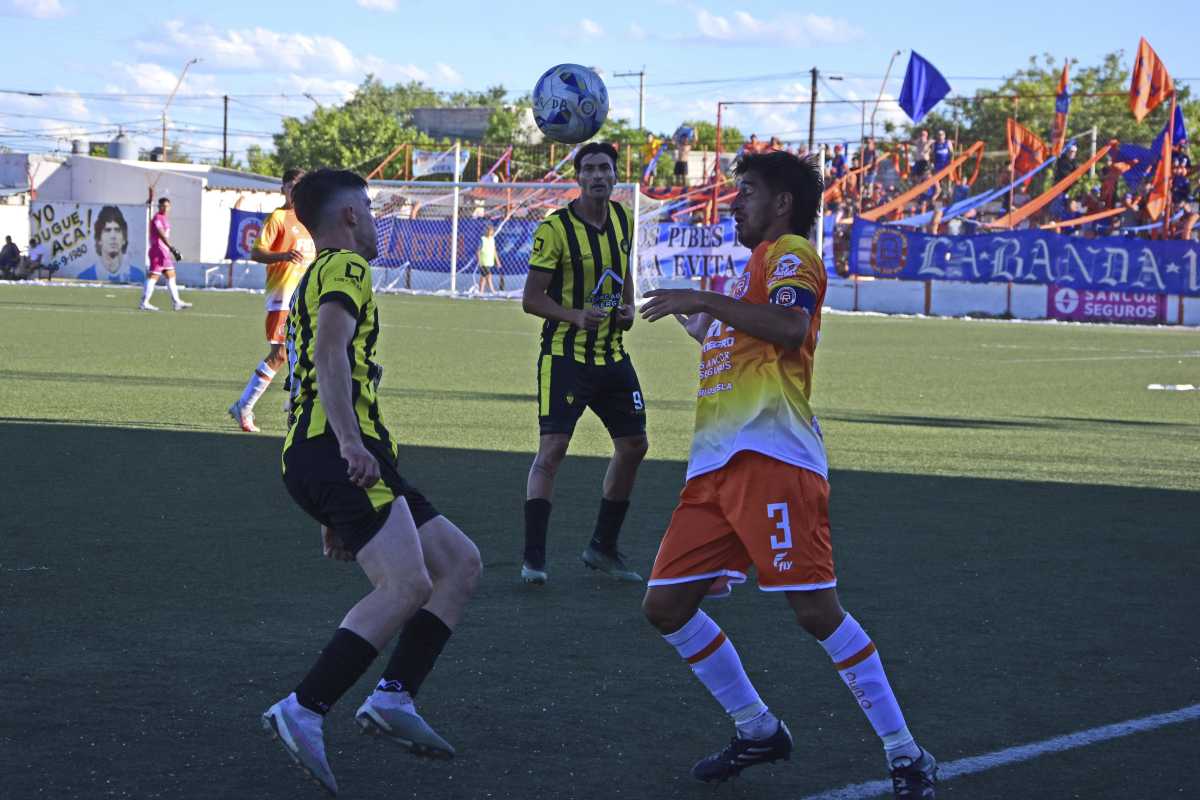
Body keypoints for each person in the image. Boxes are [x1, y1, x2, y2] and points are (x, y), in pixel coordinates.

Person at [636, 150, 937, 797]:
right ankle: (758, 729)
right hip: (713, 470)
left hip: (772, 462)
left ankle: (905, 753)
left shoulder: (791, 251)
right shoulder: (755, 269)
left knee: (815, 612)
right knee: (664, 606)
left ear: (781, 204)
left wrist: (702, 298)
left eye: (746, 191)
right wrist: (705, 322)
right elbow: (750, 338)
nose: (734, 202)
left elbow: (792, 326)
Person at [261, 169, 482, 794]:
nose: (375, 217)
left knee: (459, 565)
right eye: (368, 206)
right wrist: (350, 445)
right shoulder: (345, 268)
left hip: (337, 455)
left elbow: (310, 370)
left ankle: (393, 697)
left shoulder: (317, 274)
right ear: (350, 216)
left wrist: (338, 496)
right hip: (340, 452)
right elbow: (329, 354)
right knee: (407, 583)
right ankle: (303, 706)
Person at [520, 141, 648, 585]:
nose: (597, 176)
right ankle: (533, 561)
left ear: (615, 176)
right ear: (577, 178)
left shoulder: (623, 219)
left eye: (604, 168)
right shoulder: (554, 229)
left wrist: (628, 308)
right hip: (565, 357)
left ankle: (602, 548)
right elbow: (531, 299)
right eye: (589, 169)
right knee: (552, 452)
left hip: (612, 355)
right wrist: (574, 316)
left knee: (635, 445)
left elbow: (624, 269)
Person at [228, 169, 315, 433]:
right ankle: (244, 405)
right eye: (290, 186)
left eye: (298, 186)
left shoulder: (311, 219)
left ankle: (294, 404)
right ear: (283, 190)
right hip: (282, 297)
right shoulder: (277, 218)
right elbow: (256, 252)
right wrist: (283, 256)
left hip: (306, 298)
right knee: (279, 354)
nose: (293, 190)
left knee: (308, 351)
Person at [139, 197, 190, 311]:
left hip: (164, 252)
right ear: (159, 207)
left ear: (170, 207)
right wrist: (172, 248)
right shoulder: (157, 218)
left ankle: (176, 302)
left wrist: (169, 250)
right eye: (163, 206)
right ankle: (144, 302)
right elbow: (161, 234)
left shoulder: (164, 218)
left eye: (167, 206)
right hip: (158, 251)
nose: (165, 208)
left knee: (171, 275)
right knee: (153, 276)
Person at [78, 206, 142, 283]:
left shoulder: (138, 276)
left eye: (117, 230)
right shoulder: (85, 277)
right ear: (99, 239)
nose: (113, 236)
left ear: (124, 239)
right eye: (107, 230)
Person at [476, 223, 500, 294]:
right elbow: (478, 251)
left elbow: (494, 251)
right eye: (488, 230)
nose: (489, 232)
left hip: (489, 261)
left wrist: (497, 261)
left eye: (491, 230)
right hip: (483, 262)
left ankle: (481, 291)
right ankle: (493, 291)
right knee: (489, 275)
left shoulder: (492, 239)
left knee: (483, 277)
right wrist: (479, 261)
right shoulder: (482, 239)